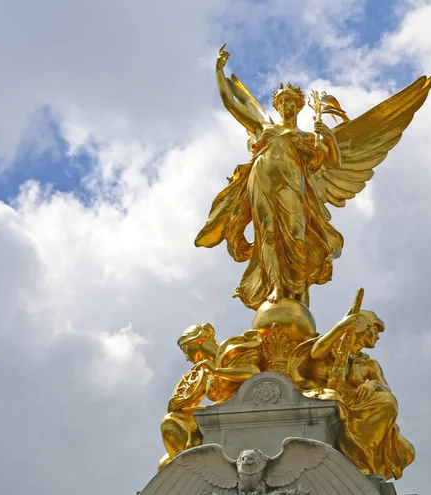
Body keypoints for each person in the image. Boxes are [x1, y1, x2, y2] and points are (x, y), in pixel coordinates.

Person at [195, 45, 344, 309]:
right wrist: (219, 71)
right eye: (282, 101)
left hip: (292, 185)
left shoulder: (307, 138)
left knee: (298, 236)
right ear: (277, 105)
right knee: (268, 235)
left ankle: (298, 290)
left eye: (291, 102)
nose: (286, 105)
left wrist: (329, 137)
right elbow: (231, 103)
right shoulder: (264, 128)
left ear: (299, 106)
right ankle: (275, 286)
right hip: (261, 181)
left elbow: (332, 161)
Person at [289, 310, 416, 480]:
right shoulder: (333, 349)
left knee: (406, 451)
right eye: (375, 330)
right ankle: (357, 459)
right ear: (362, 327)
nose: (377, 337)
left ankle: (361, 456)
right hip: (332, 400)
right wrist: (342, 327)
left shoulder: (369, 363)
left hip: (359, 407)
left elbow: (386, 389)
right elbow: (316, 352)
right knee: (341, 401)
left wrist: (374, 384)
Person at [158, 324, 262, 470]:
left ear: (197, 342)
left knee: (170, 422)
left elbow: (253, 373)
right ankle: (192, 467)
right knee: (171, 428)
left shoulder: (230, 350)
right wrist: (177, 404)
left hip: (244, 409)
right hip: (222, 411)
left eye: (186, 350)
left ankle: (195, 471)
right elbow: (189, 401)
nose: (187, 358)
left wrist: (216, 370)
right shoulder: (204, 373)